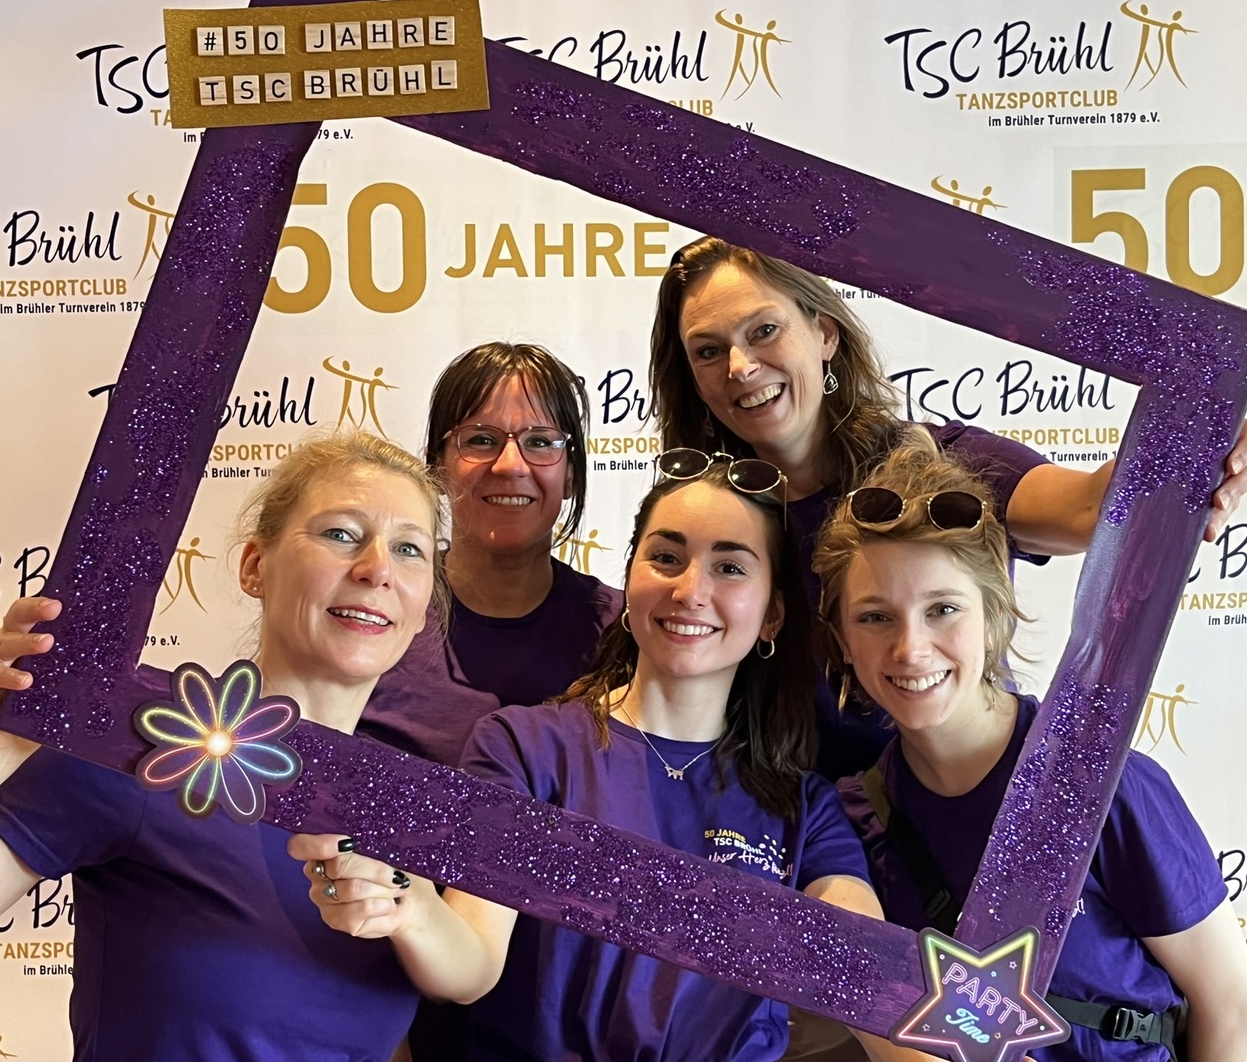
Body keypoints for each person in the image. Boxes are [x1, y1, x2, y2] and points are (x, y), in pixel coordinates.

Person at [0, 431, 503, 1061]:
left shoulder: (404, 800)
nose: (376, 570)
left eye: (409, 550)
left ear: (426, 600)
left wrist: (413, 908)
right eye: (341, 534)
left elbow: (472, 972)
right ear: (255, 566)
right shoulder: (145, 748)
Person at [299, 452, 935, 1062]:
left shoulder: (806, 807)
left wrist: (972, 1034)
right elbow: (470, 963)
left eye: (731, 567)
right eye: (666, 556)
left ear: (771, 616)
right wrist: (405, 905)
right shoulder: (525, 747)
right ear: (629, 582)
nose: (691, 589)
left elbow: (864, 977)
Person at [648, 236, 1247, 778]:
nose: (740, 366)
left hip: (962, 818)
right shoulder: (707, 520)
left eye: (764, 330)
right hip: (796, 839)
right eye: (708, 350)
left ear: (825, 332)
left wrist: (1196, 445)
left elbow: (1090, 510)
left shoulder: (939, 467)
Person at [812, 430, 1247, 1061]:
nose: (910, 649)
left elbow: (1236, 1008)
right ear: (839, 640)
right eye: (874, 616)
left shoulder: (1102, 783)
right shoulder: (851, 820)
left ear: (995, 616)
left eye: (942, 609)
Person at [360, 342, 622, 769]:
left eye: (540, 442)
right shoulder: (375, 611)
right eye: (481, 440)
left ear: (570, 474)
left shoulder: (625, 633)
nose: (510, 466)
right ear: (436, 469)